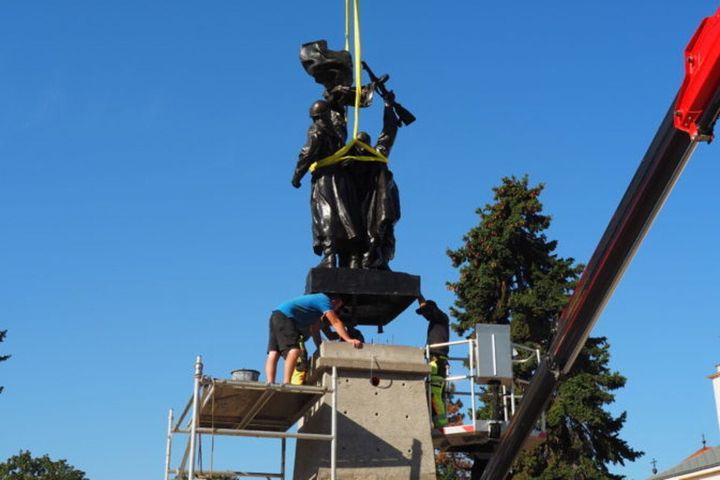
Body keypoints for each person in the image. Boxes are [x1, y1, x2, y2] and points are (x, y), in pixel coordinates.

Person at [292, 100, 362, 268]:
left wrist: (297, 176)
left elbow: (306, 154)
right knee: (345, 215)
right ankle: (352, 257)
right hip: (342, 179)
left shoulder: (316, 131)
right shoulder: (338, 130)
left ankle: (330, 256)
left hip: (325, 179)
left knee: (326, 215)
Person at [265, 292, 362, 384]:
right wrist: (349, 339)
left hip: (276, 315)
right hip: (286, 317)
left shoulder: (315, 311)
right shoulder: (324, 300)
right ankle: (286, 382)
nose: (336, 309)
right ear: (334, 301)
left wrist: (320, 347)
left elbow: (315, 331)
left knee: (274, 352)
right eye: (337, 306)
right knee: (294, 350)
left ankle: (270, 382)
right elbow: (335, 322)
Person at [352, 93, 401, 269]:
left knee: (381, 233)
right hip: (361, 207)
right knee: (373, 234)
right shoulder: (349, 162)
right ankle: (369, 259)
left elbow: (389, 132)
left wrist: (389, 107)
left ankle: (377, 259)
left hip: (378, 205)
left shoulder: (375, 156)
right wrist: (388, 106)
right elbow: (389, 132)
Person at [416, 296, 449, 428]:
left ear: (432, 310)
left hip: (437, 359)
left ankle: (440, 424)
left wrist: (418, 295)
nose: (424, 316)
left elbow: (426, 307)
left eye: (425, 313)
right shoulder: (435, 322)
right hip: (437, 359)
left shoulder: (440, 318)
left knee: (434, 393)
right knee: (436, 393)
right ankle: (439, 422)